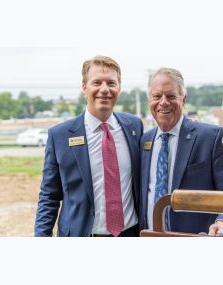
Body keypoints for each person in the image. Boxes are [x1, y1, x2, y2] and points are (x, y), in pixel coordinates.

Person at [35, 55, 143, 237]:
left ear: (119, 88)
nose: (104, 89)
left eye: (111, 83)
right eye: (97, 83)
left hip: (130, 234)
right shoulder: (59, 136)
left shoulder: (134, 127)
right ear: (84, 87)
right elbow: (49, 196)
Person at [139, 67, 223, 236]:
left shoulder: (212, 138)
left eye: (171, 96)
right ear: (149, 101)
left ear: (183, 99)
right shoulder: (144, 141)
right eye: (157, 96)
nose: (163, 102)